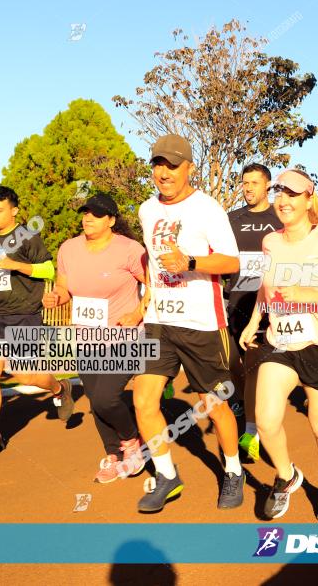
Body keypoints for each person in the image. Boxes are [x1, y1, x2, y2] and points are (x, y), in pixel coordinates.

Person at [134, 134, 243, 513]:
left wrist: (191, 263)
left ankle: (232, 470)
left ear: (189, 168)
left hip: (201, 321)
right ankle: (167, 476)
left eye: (172, 165)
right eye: (157, 164)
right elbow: (151, 261)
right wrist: (146, 300)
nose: (163, 172)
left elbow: (231, 262)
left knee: (212, 404)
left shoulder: (208, 208)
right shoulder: (147, 210)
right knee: (143, 399)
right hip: (159, 322)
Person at [239, 169, 318, 521]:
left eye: (292, 194)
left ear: (308, 200)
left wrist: (306, 293)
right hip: (280, 342)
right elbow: (266, 286)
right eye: (280, 194)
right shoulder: (271, 241)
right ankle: (286, 476)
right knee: (266, 419)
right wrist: (255, 321)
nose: (284, 201)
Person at [42, 195, 147, 483]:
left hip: (124, 338)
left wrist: (138, 313)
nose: (87, 218)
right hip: (86, 339)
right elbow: (64, 288)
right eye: (85, 213)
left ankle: (132, 443)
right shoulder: (69, 249)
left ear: (111, 220)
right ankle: (113, 455)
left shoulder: (129, 250)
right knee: (94, 400)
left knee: (105, 398)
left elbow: (154, 283)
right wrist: (56, 297)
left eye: (96, 214)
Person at [0, 186, 73, 452]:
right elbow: (0, 276)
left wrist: (15, 265)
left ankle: (60, 388)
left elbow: (48, 269)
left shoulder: (27, 236)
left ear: (14, 211)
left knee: (25, 375)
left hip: (23, 316)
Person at [224, 163, 282, 463]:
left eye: (255, 183)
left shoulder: (279, 218)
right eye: (245, 183)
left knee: (255, 365)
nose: (248, 188)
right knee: (235, 367)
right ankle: (247, 410)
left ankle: (251, 430)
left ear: (268, 186)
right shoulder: (231, 219)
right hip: (235, 304)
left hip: (267, 307)